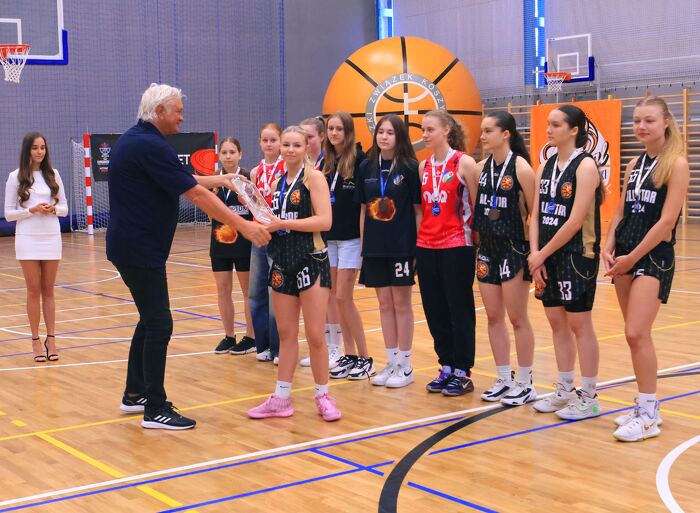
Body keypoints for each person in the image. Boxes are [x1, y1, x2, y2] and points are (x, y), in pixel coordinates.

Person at [108, 83, 270, 430]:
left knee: (149, 319)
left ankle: (135, 393)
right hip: (139, 248)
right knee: (160, 323)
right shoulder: (149, 144)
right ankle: (155, 407)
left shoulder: (140, 140)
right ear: (159, 112)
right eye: (177, 111)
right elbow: (194, 193)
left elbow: (187, 178)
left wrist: (222, 179)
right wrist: (243, 225)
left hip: (132, 246)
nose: (182, 117)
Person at [603, 97, 689, 442]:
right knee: (633, 334)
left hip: (652, 257)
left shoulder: (676, 164)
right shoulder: (635, 163)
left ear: (666, 122)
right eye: (637, 120)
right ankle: (645, 404)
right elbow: (622, 210)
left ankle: (649, 415)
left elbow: (667, 222)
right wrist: (609, 244)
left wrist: (632, 257)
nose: (641, 126)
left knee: (637, 332)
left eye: (649, 120)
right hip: (624, 254)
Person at [247, 126, 340, 421]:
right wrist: (262, 227)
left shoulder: (314, 178)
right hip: (282, 263)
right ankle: (281, 399)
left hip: (311, 260)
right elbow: (275, 221)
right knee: (286, 334)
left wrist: (281, 223)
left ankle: (323, 395)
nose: (289, 149)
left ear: (306, 147)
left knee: (315, 335)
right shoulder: (277, 182)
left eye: (296, 145)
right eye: (286, 144)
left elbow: (325, 221)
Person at [528, 104, 602, 420]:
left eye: (556, 124)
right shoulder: (545, 166)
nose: (549, 129)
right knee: (556, 324)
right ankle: (565, 389)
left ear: (574, 130)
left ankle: (590, 396)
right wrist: (535, 254)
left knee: (579, 325)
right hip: (547, 255)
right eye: (548, 124)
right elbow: (535, 215)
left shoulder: (586, 166)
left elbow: (574, 221)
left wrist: (541, 254)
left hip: (577, 255)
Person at [474, 112, 538, 406]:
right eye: (482, 131)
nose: (483, 136)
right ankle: (504, 378)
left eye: (488, 131)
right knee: (493, 316)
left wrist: (535, 253)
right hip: (487, 248)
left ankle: (526, 382)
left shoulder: (521, 168)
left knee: (517, 317)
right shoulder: (480, 168)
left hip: (514, 247)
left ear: (506, 134)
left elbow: (535, 215)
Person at [417, 110, 480, 396]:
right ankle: (446, 365)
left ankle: (463, 371)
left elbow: (476, 207)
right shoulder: (423, 166)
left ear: (446, 130)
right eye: (423, 129)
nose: (425, 134)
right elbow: (423, 209)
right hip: (426, 246)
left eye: (430, 129)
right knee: (435, 310)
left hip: (457, 245)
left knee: (459, 309)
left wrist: (478, 245)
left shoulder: (464, 163)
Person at [356, 114, 421, 388]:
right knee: (384, 304)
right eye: (381, 132)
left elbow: (418, 210)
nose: (384, 136)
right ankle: (391, 361)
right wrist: (363, 246)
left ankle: (405, 365)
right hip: (375, 247)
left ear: (400, 137)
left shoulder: (409, 167)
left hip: (402, 246)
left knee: (401, 304)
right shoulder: (366, 166)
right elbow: (363, 210)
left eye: (390, 132)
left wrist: (418, 247)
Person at [4, 132, 68, 363]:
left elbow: (64, 208)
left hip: (51, 236)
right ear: (27, 150)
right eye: (35, 148)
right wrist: (30, 210)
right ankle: (35, 341)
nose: (40, 151)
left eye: (42, 147)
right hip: (27, 238)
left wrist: (53, 209)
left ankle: (51, 340)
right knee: (33, 290)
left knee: (48, 290)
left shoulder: (53, 175)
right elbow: (8, 214)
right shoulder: (15, 177)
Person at [322, 111, 374, 380]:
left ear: (348, 132)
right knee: (334, 296)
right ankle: (350, 355)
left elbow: (364, 206)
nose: (334, 133)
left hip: (351, 239)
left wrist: (365, 245)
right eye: (330, 128)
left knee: (344, 297)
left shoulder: (361, 161)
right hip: (329, 238)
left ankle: (366, 358)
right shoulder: (326, 162)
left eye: (339, 129)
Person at [298, 116, 343, 368]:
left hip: (331, 236)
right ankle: (323, 345)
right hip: (310, 239)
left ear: (321, 137)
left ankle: (336, 347)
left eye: (310, 137)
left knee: (333, 294)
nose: (306, 141)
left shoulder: (328, 164)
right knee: (319, 298)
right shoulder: (302, 165)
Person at [210, 137, 256, 355]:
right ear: (219, 155)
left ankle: (251, 337)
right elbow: (209, 213)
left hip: (244, 242)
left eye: (232, 152)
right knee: (223, 290)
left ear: (240, 154)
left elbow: (256, 208)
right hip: (219, 242)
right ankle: (229, 336)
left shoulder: (247, 178)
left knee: (247, 291)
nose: (228, 156)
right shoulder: (213, 180)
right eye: (224, 152)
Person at [248, 123, 284, 364]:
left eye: (273, 140)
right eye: (265, 140)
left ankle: (279, 348)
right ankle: (263, 345)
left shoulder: (286, 168)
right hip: (258, 235)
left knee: (276, 292)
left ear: (280, 142)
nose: (269, 144)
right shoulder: (255, 172)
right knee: (256, 291)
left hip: (278, 236)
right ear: (260, 142)